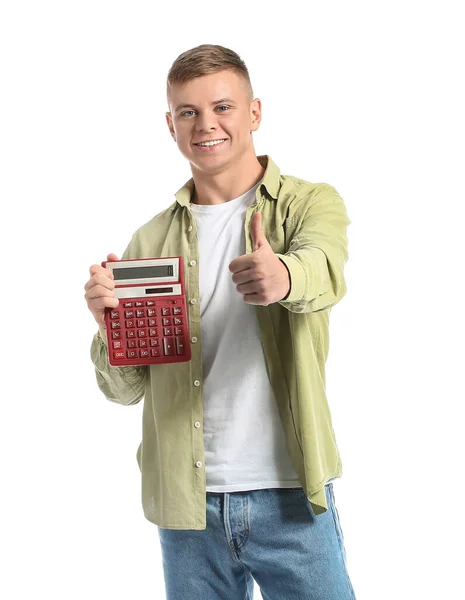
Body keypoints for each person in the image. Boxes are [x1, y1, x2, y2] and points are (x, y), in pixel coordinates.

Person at [85, 43, 356, 600]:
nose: (206, 124)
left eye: (223, 107)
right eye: (189, 112)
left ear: (254, 112)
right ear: (171, 125)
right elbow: (126, 388)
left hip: (290, 496)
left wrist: (281, 275)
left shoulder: (307, 204)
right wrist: (110, 329)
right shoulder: (150, 239)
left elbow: (323, 270)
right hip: (187, 506)